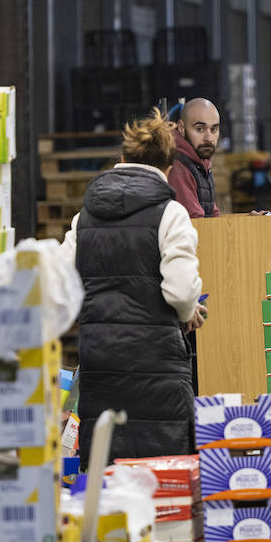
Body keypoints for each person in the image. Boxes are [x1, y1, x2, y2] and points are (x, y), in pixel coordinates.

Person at [60, 108, 208, 464]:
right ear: (169, 169)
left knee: (105, 468)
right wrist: (189, 312)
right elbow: (181, 291)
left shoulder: (85, 217)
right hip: (156, 364)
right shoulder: (171, 214)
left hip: (100, 361)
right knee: (163, 469)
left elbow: (62, 284)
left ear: (122, 159)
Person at [169, 98, 222, 219]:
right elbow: (196, 223)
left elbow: (212, 216)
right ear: (181, 128)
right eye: (200, 129)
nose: (208, 137)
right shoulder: (178, 166)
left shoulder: (201, 162)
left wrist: (247, 221)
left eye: (214, 129)